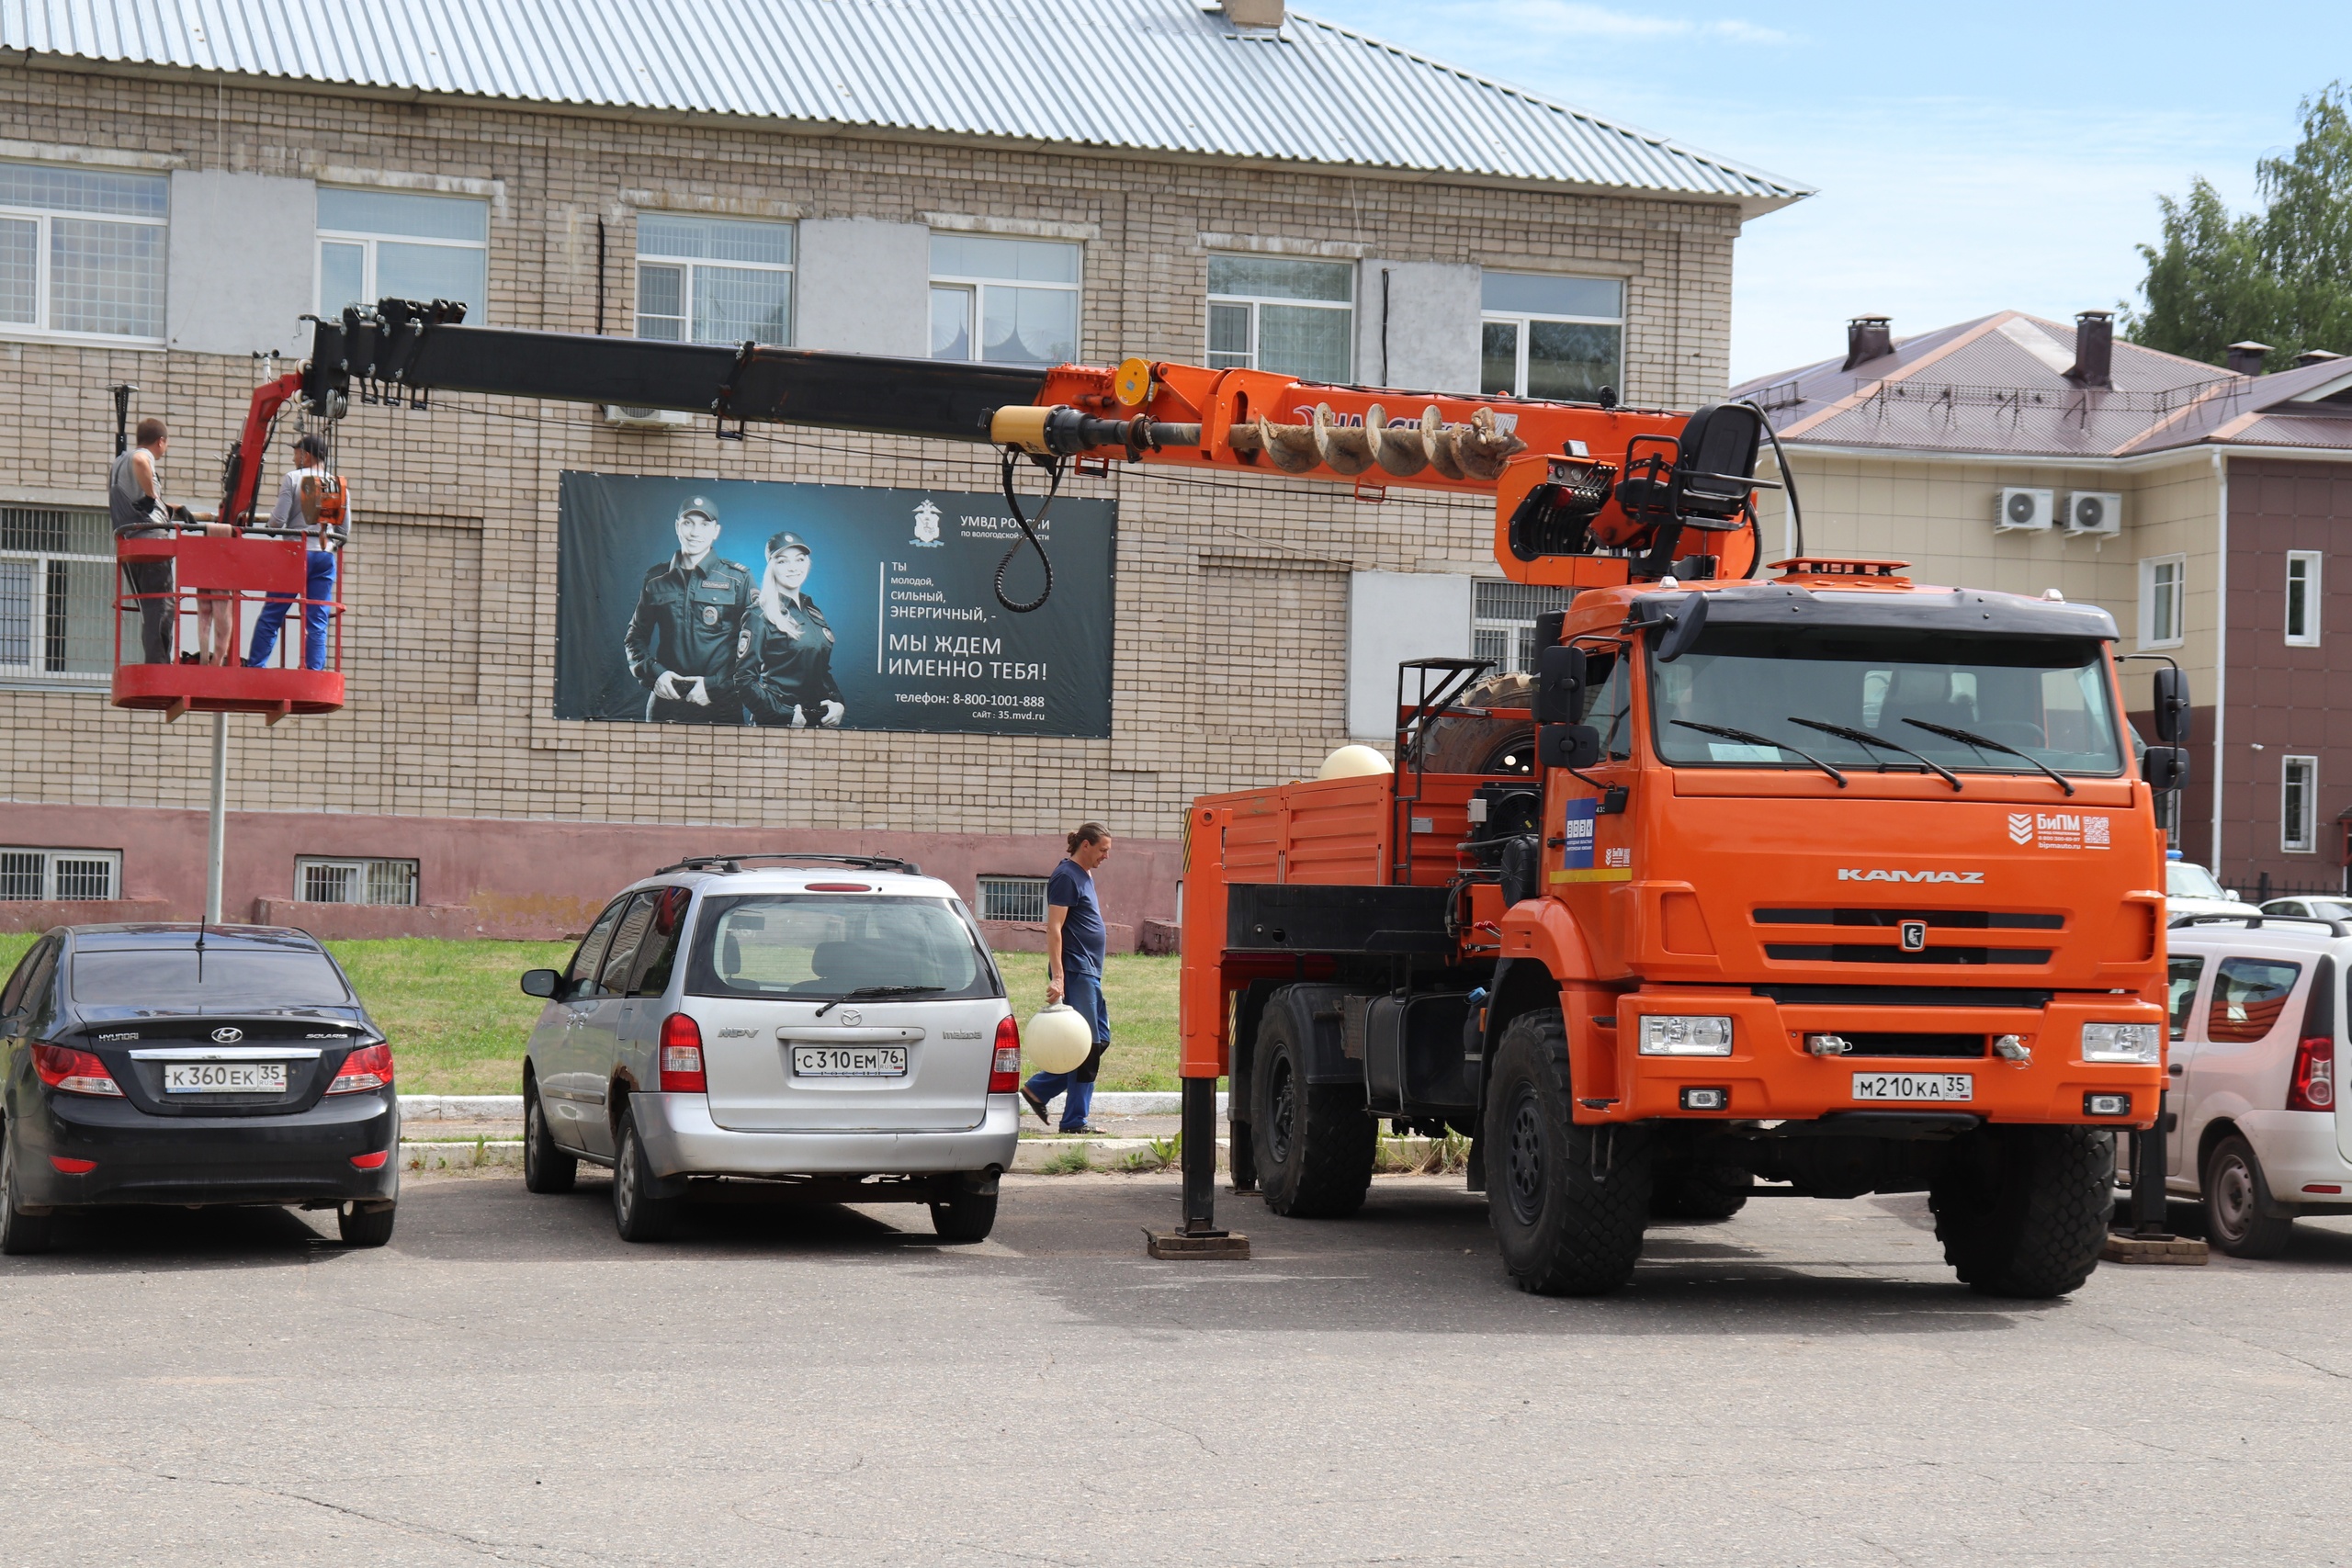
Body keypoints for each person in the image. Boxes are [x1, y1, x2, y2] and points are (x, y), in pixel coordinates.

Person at [624, 495, 754, 724]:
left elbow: (756, 649)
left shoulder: (738, 579)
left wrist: (714, 686)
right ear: (677, 527)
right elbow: (634, 638)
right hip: (666, 702)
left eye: (704, 524)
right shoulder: (656, 578)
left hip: (720, 703)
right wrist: (656, 675)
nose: (695, 532)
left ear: (716, 531)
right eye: (688, 523)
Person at [108, 417, 228, 664]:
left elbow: (138, 502)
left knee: (151, 608)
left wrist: (176, 510)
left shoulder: (119, 463)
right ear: (161, 441)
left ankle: (157, 659)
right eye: (167, 443)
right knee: (161, 607)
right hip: (150, 544)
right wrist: (153, 496)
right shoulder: (139, 458)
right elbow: (142, 462)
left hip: (133, 544)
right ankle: (159, 663)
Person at [1021, 823, 1114, 1134]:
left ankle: (1039, 1089)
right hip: (1075, 970)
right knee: (1087, 1045)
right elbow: (1054, 929)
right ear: (1085, 845)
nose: (1106, 856)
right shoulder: (1065, 876)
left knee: (1097, 1040)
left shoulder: (1085, 874)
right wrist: (1058, 977)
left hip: (1088, 971)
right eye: (1102, 850)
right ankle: (1074, 1120)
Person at [245, 433, 347, 671]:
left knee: (272, 615)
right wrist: (330, 545)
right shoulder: (336, 484)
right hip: (323, 556)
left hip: (294, 554)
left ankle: (256, 666)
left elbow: (277, 520)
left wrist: (271, 527)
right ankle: (315, 670)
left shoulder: (293, 478)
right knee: (317, 618)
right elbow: (344, 528)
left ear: (306, 455)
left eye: (296, 452)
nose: (294, 458)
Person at [735, 531, 845, 728]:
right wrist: (784, 715)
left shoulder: (812, 611)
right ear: (771, 567)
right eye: (783, 561)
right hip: (778, 728)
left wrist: (837, 703)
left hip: (817, 726)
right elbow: (744, 680)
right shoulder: (759, 614)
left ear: (808, 564)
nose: (793, 568)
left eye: (799, 559)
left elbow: (821, 670)